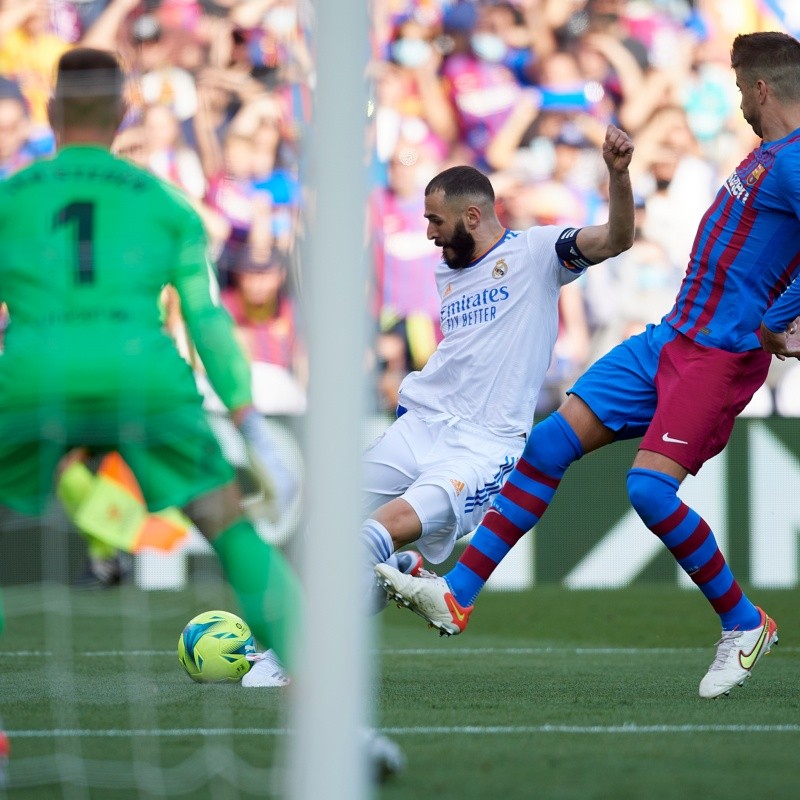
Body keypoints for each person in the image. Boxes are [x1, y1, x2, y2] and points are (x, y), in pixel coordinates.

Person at [376, 31, 800, 700]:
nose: (739, 102)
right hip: (671, 337)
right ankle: (456, 595)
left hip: (719, 355)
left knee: (649, 491)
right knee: (547, 445)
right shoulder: (767, 155)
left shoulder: (796, 160)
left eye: (740, 88)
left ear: (760, 89)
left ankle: (744, 624)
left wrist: (781, 320)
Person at [0, 48, 300, 674]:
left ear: (52, 111)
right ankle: (330, 706)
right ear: (120, 110)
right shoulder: (165, 203)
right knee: (226, 522)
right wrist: (247, 421)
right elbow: (206, 320)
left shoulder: (11, 197)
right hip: (142, 374)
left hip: (33, 372)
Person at [363, 122, 635, 613]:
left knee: (375, 532)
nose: (428, 234)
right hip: (422, 422)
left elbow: (617, 238)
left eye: (434, 221)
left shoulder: (537, 252)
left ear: (472, 215)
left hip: (481, 447)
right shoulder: (448, 268)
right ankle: (367, 595)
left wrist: (617, 175)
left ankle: (288, 661)